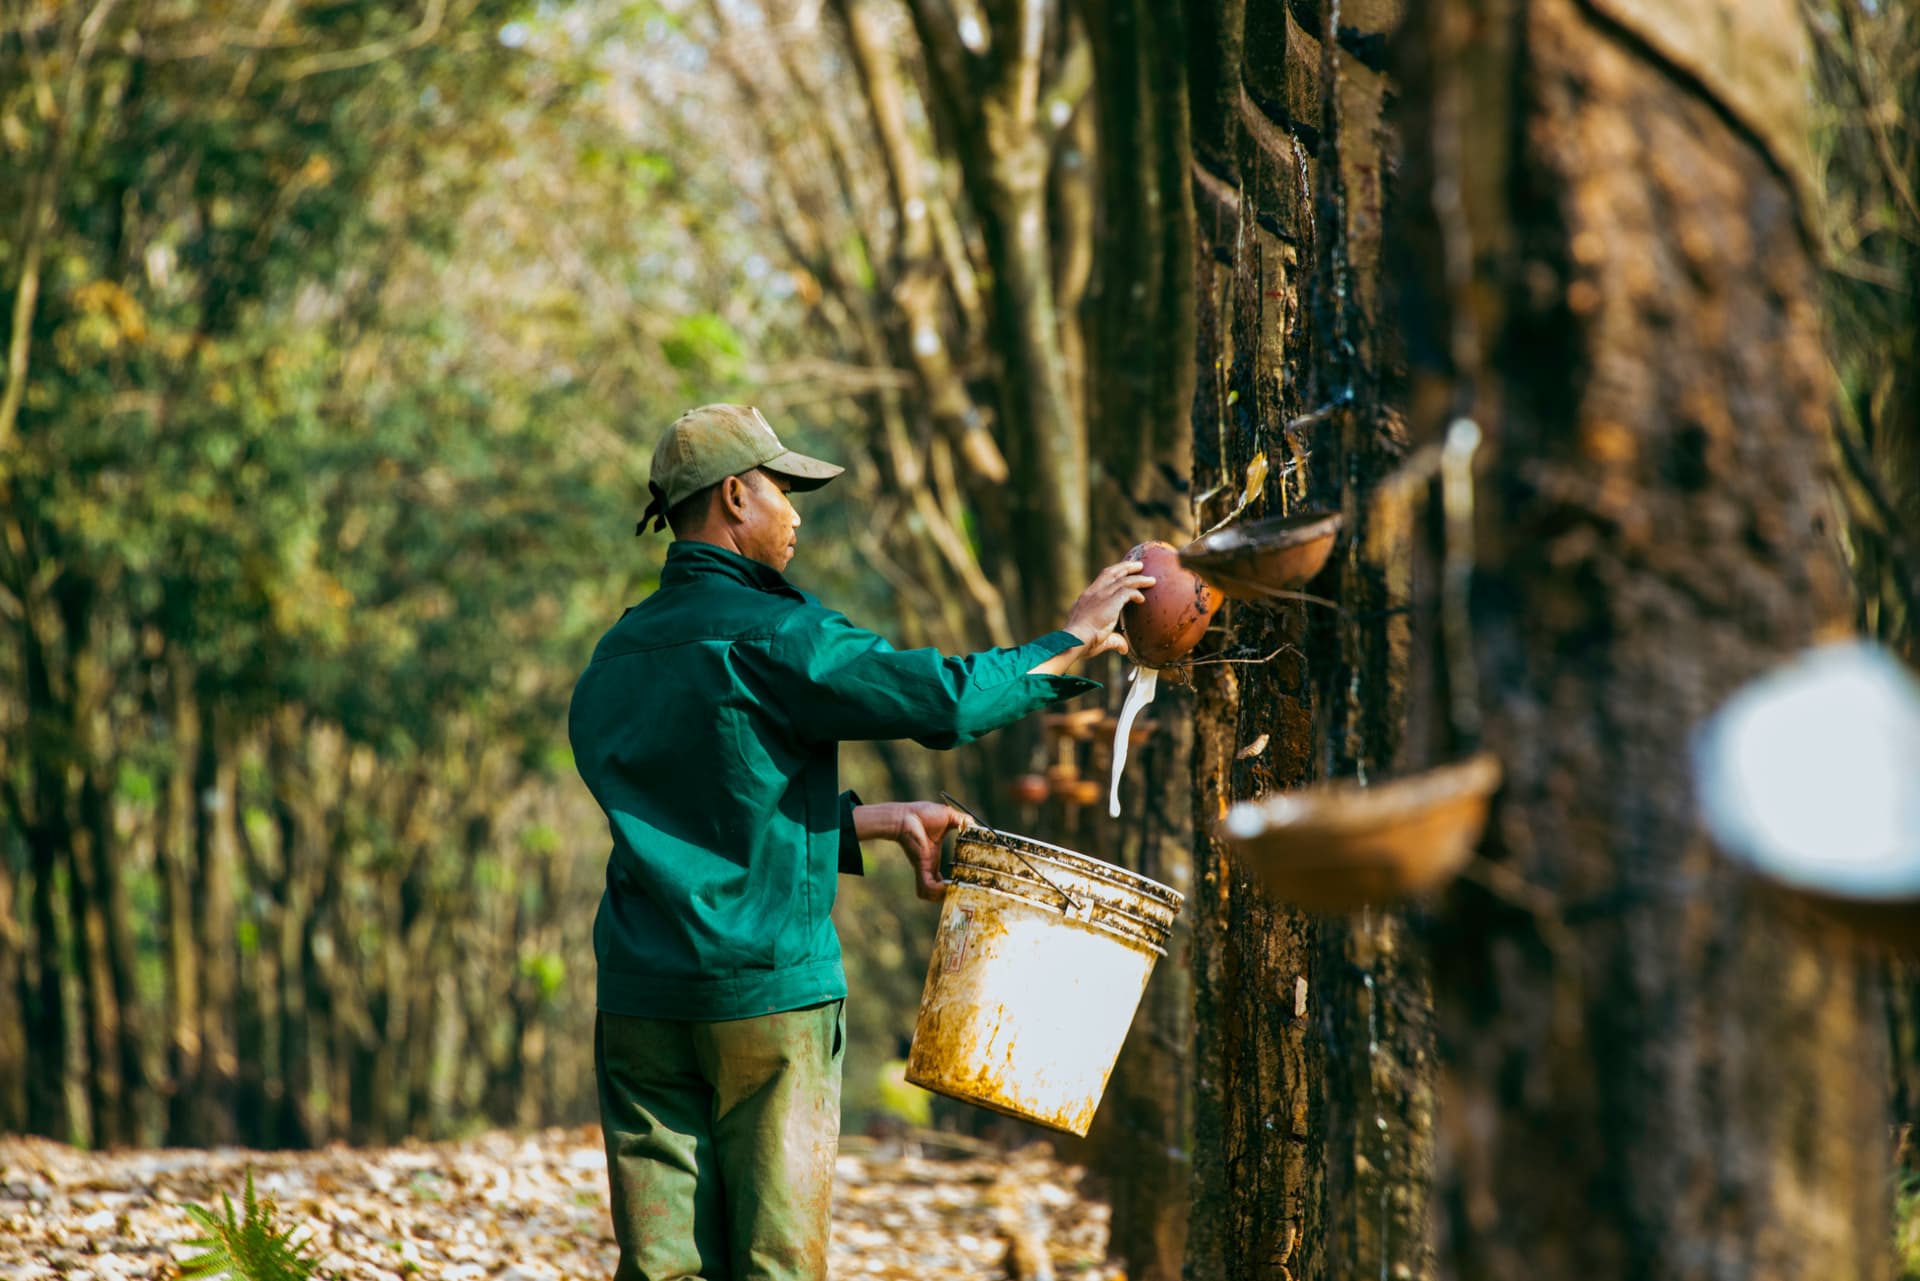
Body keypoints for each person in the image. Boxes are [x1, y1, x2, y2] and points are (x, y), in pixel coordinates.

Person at [568, 403, 1153, 1281]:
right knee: (776, 1266)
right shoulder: (778, 634)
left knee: (661, 1269)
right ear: (734, 496)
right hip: (768, 999)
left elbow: (705, 815)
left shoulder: (613, 658)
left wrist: (869, 821)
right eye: (784, 490)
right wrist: (1067, 642)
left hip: (642, 1004)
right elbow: (942, 700)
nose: (796, 514)